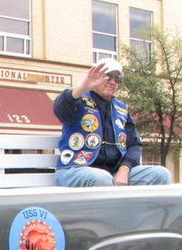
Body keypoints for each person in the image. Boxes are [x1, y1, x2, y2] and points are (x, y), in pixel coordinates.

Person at [53, 58, 171, 187]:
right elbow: (60, 108)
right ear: (96, 78)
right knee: (102, 178)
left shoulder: (122, 109)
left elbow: (134, 145)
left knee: (161, 174)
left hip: (113, 172)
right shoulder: (78, 100)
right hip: (75, 169)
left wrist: (124, 170)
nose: (113, 82)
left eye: (117, 79)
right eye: (108, 77)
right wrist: (83, 87)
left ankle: (135, 208)